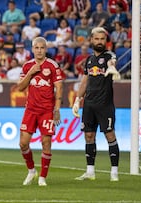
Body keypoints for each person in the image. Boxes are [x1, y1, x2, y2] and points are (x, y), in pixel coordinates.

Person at [72, 27, 121, 182]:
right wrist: (77, 99)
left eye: (102, 39)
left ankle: (114, 172)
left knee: (110, 135)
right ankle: (90, 172)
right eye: (97, 39)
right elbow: (85, 81)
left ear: (105, 41)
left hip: (105, 105)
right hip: (89, 105)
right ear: (91, 40)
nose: (100, 42)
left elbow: (112, 61)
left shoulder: (109, 55)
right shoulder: (89, 60)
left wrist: (112, 67)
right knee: (88, 136)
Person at [18, 37, 63, 186]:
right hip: (30, 110)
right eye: (36, 48)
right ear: (32, 49)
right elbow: (20, 87)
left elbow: (59, 88)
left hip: (46, 111)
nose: (39, 50)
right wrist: (31, 72)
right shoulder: (27, 66)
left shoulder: (52, 65)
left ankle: (43, 177)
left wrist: (57, 109)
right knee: (23, 144)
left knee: (46, 142)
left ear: (46, 49)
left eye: (42, 48)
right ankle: (31, 171)